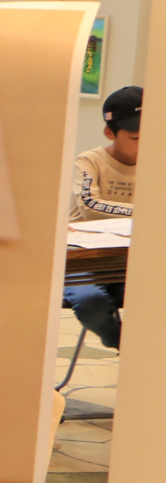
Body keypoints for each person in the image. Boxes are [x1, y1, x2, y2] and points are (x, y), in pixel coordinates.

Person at [65, 85, 139, 349]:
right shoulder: (90, 161)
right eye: (136, 137)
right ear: (110, 132)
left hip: (131, 261)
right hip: (83, 262)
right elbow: (88, 205)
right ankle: (124, 344)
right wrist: (145, 214)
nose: (145, 143)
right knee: (90, 302)